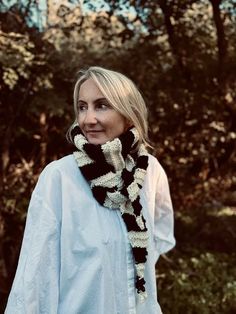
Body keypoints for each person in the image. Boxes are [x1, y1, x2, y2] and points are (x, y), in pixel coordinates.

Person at [5, 66, 175, 314]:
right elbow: (34, 277)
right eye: (82, 107)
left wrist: (121, 266)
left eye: (102, 105)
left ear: (129, 115)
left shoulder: (149, 171)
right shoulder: (59, 178)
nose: (87, 119)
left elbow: (160, 235)